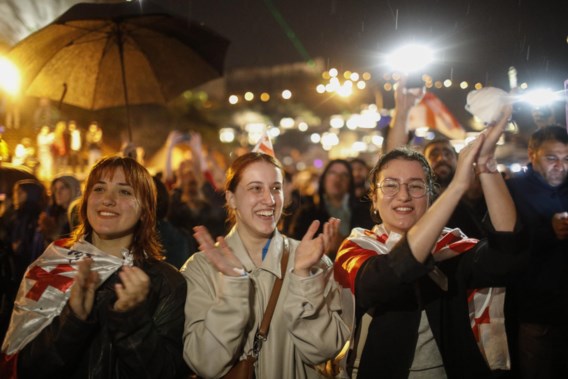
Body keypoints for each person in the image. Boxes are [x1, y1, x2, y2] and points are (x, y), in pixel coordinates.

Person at [335, 106, 527, 378]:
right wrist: (458, 185)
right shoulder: (357, 248)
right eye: (390, 185)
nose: (403, 195)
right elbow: (389, 275)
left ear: (430, 198)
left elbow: (506, 252)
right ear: (374, 201)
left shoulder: (449, 244)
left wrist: (486, 166)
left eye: (415, 186)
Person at [0, 156, 188, 378]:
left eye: (125, 191)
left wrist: (132, 321)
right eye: (99, 189)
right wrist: (74, 320)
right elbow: (26, 368)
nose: (107, 200)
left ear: (146, 209)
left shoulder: (166, 282)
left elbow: (164, 373)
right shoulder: (54, 260)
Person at [181, 152, 351, 379]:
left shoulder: (313, 261)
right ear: (231, 198)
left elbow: (325, 350)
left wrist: (302, 277)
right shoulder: (201, 268)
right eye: (255, 188)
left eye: (275, 188)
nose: (269, 200)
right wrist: (233, 287)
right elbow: (205, 364)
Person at [505, 125, 568, 379]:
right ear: (532, 154)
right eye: (551, 158)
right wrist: (547, 230)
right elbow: (506, 244)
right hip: (533, 310)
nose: (560, 166)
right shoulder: (513, 190)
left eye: (566, 159)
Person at [290, 159, 374, 260]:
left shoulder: (364, 212)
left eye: (344, 175)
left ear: (350, 182)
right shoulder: (307, 213)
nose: (338, 178)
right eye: (332, 173)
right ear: (324, 179)